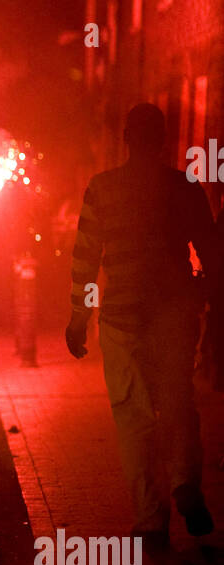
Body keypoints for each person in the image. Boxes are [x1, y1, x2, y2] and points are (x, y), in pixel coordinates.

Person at [66, 102, 216, 539]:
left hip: (121, 321)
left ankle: (151, 518)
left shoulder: (101, 188)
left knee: (133, 417)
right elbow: (211, 252)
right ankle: (185, 481)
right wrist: (199, 299)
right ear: (164, 139)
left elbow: (85, 260)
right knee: (178, 403)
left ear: (126, 138)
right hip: (172, 317)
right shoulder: (185, 187)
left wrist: (79, 317)